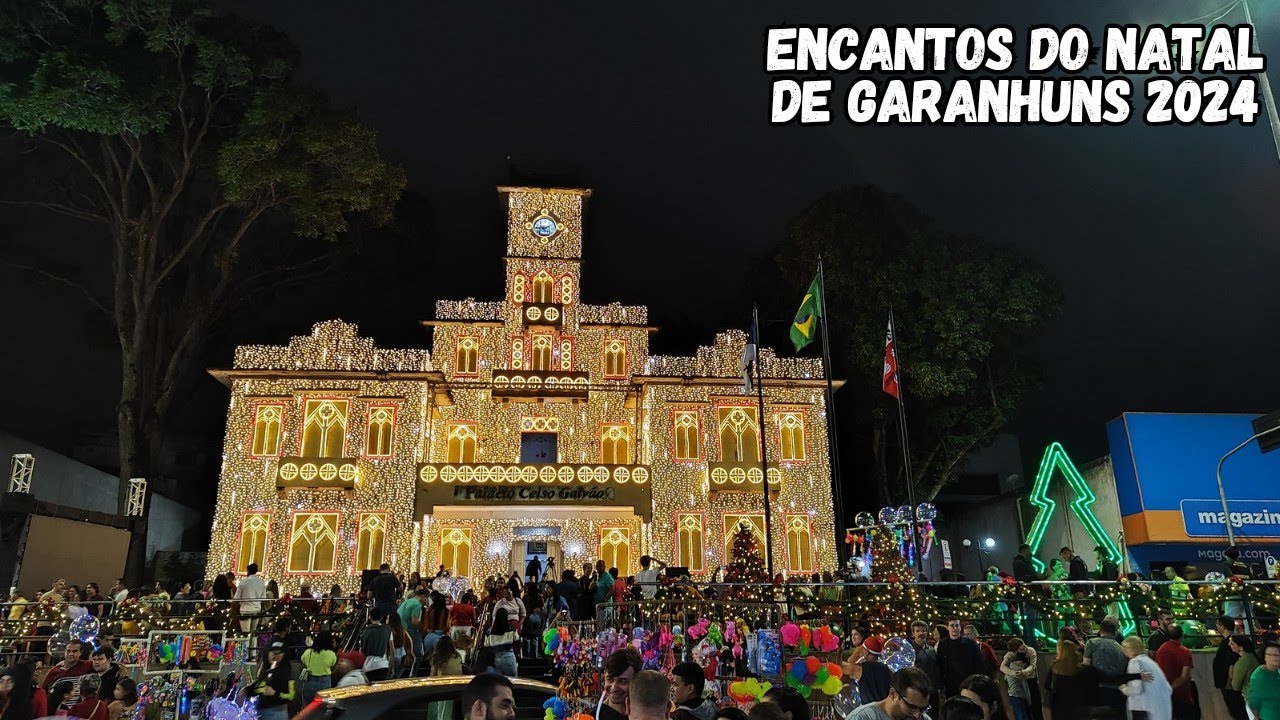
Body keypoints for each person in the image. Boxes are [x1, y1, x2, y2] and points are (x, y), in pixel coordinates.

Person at [848, 666, 934, 720]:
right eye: (912, 707)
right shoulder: (861, 717)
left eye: (923, 709)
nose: (917, 715)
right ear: (893, 694)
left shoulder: (923, 718)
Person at [1083, 619, 1129, 715]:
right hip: (1116, 692)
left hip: (1097, 690)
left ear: (1101, 630)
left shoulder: (1092, 643)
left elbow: (1086, 665)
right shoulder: (1122, 649)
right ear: (1115, 632)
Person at [1120, 636, 1172, 720]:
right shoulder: (1151, 662)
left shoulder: (1135, 662)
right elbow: (1168, 688)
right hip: (1161, 710)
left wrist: (1124, 689)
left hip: (1142, 709)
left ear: (1129, 649)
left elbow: (1136, 689)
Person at [1154, 626, 1194, 719]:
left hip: (1164, 693)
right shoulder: (1185, 652)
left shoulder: (1161, 650)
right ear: (1182, 635)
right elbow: (1184, 676)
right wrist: (1171, 688)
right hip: (1182, 694)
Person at [248, 641, 294, 720]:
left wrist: (275, 693)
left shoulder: (285, 673)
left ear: (283, 655)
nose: (273, 656)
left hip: (276, 712)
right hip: (262, 711)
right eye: (272, 652)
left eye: (278, 653)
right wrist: (247, 691)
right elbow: (260, 688)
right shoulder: (267, 671)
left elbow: (291, 696)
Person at [937, 618, 982, 698]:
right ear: (947, 627)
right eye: (952, 625)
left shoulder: (969, 643)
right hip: (950, 685)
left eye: (957, 625)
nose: (955, 628)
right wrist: (941, 686)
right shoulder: (942, 644)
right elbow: (940, 665)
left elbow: (978, 661)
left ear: (960, 627)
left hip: (968, 683)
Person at [1214, 616, 1248, 720]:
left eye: (1217, 624)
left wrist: (1229, 684)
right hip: (1229, 685)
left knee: (1238, 712)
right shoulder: (1231, 641)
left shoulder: (1230, 642)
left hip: (1230, 687)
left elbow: (1232, 664)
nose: (1216, 627)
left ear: (1223, 627)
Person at [597, 647, 642, 720]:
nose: (614, 688)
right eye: (610, 679)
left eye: (622, 681)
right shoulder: (596, 716)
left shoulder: (644, 714)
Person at [1000, 638, 1037, 720]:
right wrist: (1013, 673)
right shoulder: (1010, 655)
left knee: (1035, 708)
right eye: (1021, 649)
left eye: (1024, 646)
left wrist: (1023, 672)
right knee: (1021, 712)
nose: (1025, 649)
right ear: (1015, 651)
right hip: (1017, 690)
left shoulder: (1030, 651)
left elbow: (1032, 666)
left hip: (1030, 680)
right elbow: (1002, 667)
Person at [299, 631, 337, 705]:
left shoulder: (308, 652)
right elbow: (333, 663)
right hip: (324, 683)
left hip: (309, 682)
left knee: (307, 708)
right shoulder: (331, 654)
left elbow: (302, 660)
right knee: (325, 706)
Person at [359, 607, 395, 681]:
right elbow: (392, 650)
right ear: (382, 617)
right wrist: (391, 667)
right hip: (383, 665)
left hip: (368, 667)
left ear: (370, 617)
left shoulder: (365, 631)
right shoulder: (387, 629)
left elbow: (362, 651)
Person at [1247, 642, 1280, 720]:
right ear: (1264, 657)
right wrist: (1256, 717)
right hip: (1269, 716)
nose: (1273, 657)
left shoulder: (1276, 671)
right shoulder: (1259, 675)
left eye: (1276, 655)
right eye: (1269, 654)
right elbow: (1253, 701)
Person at [233, 562, 267, 633]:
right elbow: (263, 598)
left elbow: (236, 598)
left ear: (248, 571)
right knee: (253, 632)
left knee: (245, 633)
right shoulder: (261, 582)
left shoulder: (243, 582)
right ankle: (253, 644)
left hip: (246, 610)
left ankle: (246, 644)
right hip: (257, 609)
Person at [485, 607, 518, 677]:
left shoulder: (489, 631)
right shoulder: (511, 628)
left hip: (495, 657)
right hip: (508, 656)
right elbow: (517, 640)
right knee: (513, 681)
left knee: (497, 683)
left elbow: (486, 645)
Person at [1228, 635, 1260, 705]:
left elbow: (1235, 686)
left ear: (1241, 647)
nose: (1229, 644)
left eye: (1232, 643)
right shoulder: (1253, 655)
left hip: (1251, 696)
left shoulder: (1242, 662)